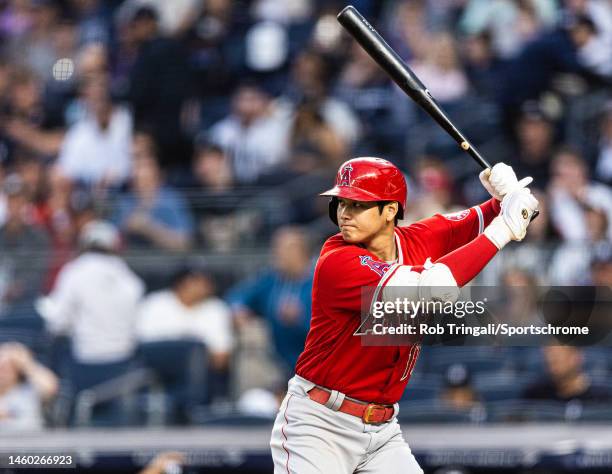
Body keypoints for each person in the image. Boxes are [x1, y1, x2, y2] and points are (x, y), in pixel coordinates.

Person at [270, 157, 538, 473]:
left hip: (382, 430)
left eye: (357, 204)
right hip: (320, 424)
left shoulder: (418, 238)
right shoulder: (337, 260)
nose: (344, 213)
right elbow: (433, 288)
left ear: (391, 210)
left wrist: (506, 196)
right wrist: (506, 225)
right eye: (341, 202)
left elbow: (497, 215)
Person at [37, 220, 144, 391]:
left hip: (84, 365)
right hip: (124, 364)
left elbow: (57, 323)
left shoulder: (75, 270)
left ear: (84, 244)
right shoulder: (130, 278)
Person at [136, 265, 234, 374]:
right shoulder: (154, 303)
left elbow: (220, 359)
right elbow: (142, 346)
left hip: (199, 374)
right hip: (155, 371)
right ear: (181, 283)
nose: (206, 285)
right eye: (197, 280)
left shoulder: (217, 307)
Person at [0, 342, 59, 430]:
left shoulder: (30, 390)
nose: (3, 373)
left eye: (8, 367)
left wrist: (26, 363)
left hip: (31, 441)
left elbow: (51, 388)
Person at [523, 346, 612, 403]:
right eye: (549, 353)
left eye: (558, 357)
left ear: (577, 357)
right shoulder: (535, 394)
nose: (551, 359)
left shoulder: (601, 397)